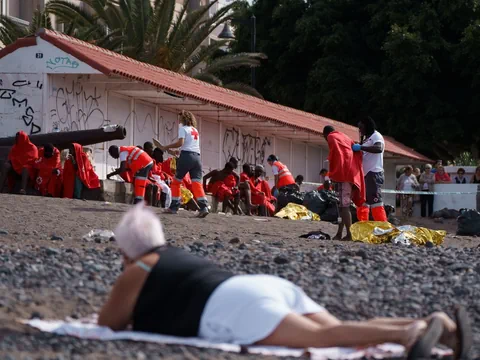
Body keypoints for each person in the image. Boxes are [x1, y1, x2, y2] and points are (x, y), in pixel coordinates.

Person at [98, 204, 472, 360]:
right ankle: (432, 326)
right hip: (261, 287)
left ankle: (405, 336)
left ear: (128, 249)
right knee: (339, 330)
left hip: (237, 307)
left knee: (324, 340)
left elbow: (108, 324)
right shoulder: (173, 257)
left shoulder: (140, 267)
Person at [157, 110, 209, 217]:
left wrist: (167, 147)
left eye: (180, 118)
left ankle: (174, 207)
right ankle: (204, 207)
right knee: (197, 183)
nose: (179, 121)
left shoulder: (183, 129)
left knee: (176, 182)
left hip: (186, 157)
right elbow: (189, 145)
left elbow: (180, 142)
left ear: (183, 119)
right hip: (197, 158)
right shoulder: (195, 130)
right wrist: (179, 151)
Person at [323, 126, 365, 240]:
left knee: (344, 207)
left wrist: (330, 177)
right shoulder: (345, 137)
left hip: (344, 175)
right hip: (352, 174)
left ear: (325, 135)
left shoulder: (331, 137)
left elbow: (335, 155)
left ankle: (350, 235)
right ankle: (339, 233)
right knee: (342, 206)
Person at [353, 117, 388, 222]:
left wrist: (361, 148)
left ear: (367, 126)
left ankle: (383, 225)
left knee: (375, 200)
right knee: (363, 200)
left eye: (361, 127)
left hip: (373, 173)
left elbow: (379, 148)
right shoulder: (366, 139)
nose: (359, 130)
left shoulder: (376, 136)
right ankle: (363, 224)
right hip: (364, 174)